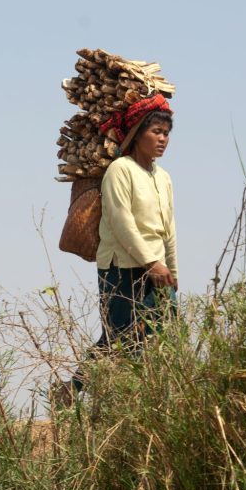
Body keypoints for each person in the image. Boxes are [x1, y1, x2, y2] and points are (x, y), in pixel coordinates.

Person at [72, 93, 177, 393]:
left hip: (157, 270)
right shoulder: (120, 170)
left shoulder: (163, 177)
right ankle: (87, 393)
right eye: (156, 131)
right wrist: (151, 263)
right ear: (136, 133)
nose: (163, 139)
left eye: (167, 134)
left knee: (161, 333)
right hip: (121, 268)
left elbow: (169, 229)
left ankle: (78, 391)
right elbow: (121, 223)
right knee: (120, 338)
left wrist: (172, 269)